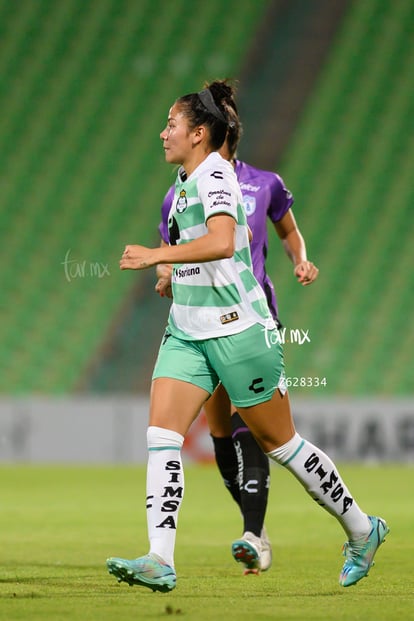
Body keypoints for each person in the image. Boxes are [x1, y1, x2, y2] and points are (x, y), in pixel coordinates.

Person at [106, 80, 389, 593]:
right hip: (188, 333)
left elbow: (221, 242)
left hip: (239, 331)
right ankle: (159, 558)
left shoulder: (215, 175)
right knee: (162, 437)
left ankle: (363, 529)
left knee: (281, 444)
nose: (163, 132)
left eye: (171, 124)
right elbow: (199, 248)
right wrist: (170, 273)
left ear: (198, 133)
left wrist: (156, 256)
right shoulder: (182, 183)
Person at [155, 87, 319, 575]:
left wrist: (300, 260)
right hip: (201, 324)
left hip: (252, 319)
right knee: (222, 431)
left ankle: (253, 532)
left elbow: (287, 230)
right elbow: (172, 246)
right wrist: (165, 273)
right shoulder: (180, 189)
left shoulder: (262, 183)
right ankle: (256, 527)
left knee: (260, 432)